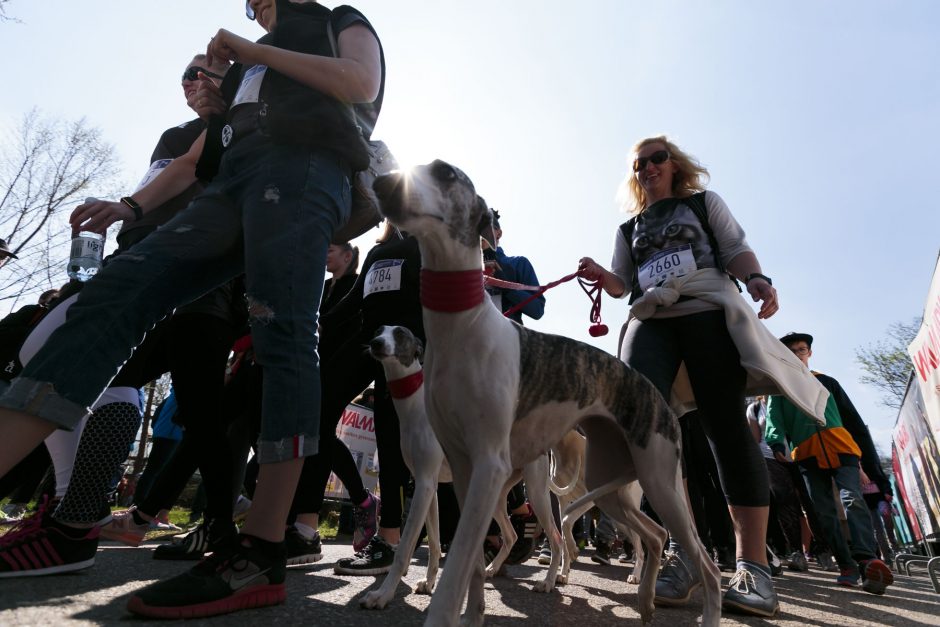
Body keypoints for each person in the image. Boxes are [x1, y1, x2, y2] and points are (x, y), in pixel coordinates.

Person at [0, 0, 384, 619]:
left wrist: (253, 49)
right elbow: (192, 160)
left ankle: (260, 548)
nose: (254, 6)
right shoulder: (243, 77)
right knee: (114, 291)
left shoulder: (335, 20)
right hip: (232, 182)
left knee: (282, 330)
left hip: (306, 168)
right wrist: (131, 205)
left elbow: (360, 83)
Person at [578, 136, 784, 617]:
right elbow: (622, 283)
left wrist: (757, 279)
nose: (648, 167)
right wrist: (600, 276)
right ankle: (684, 555)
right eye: (639, 163)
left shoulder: (703, 203)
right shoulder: (628, 228)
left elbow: (734, 248)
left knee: (726, 428)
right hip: (650, 319)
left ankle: (753, 568)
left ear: (674, 165)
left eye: (657, 158)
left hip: (705, 306)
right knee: (643, 430)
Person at [767, 331, 894, 594]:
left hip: (843, 448)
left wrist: (869, 465)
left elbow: (854, 421)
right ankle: (846, 565)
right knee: (823, 511)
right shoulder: (779, 389)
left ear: (809, 353)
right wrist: (776, 441)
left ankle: (866, 559)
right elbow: (773, 419)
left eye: (801, 350)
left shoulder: (828, 382)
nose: (797, 355)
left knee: (852, 499)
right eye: (791, 351)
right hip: (808, 454)